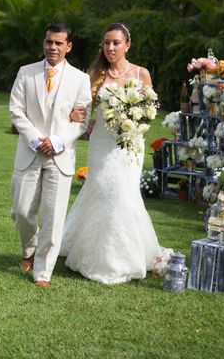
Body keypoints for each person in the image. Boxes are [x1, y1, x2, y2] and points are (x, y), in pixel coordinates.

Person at [60, 22, 170, 284]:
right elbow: (85, 112)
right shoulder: (96, 74)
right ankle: (93, 253)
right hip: (102, 145)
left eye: (116, 43)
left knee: (124, 193)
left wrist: (134, 121)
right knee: (101, 190)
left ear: (127, 45)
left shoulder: (141, 74)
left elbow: (150, 111)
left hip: (129, 147)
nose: (110, 47)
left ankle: (124, 257)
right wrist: (74, 116)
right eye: (106, 42)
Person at [9, 23, 92, 288]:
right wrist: (36, 139)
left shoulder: (80, 79)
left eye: (58, 43)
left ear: (68, 46)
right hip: (30, 152)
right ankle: (29, 250)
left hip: (60, 155)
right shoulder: (26, 72)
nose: (52, 47)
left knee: (54, 217)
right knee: (21, 211)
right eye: (48, 42)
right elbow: (16, 111)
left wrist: (56, 141)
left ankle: (43, 271)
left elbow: (82, 120)